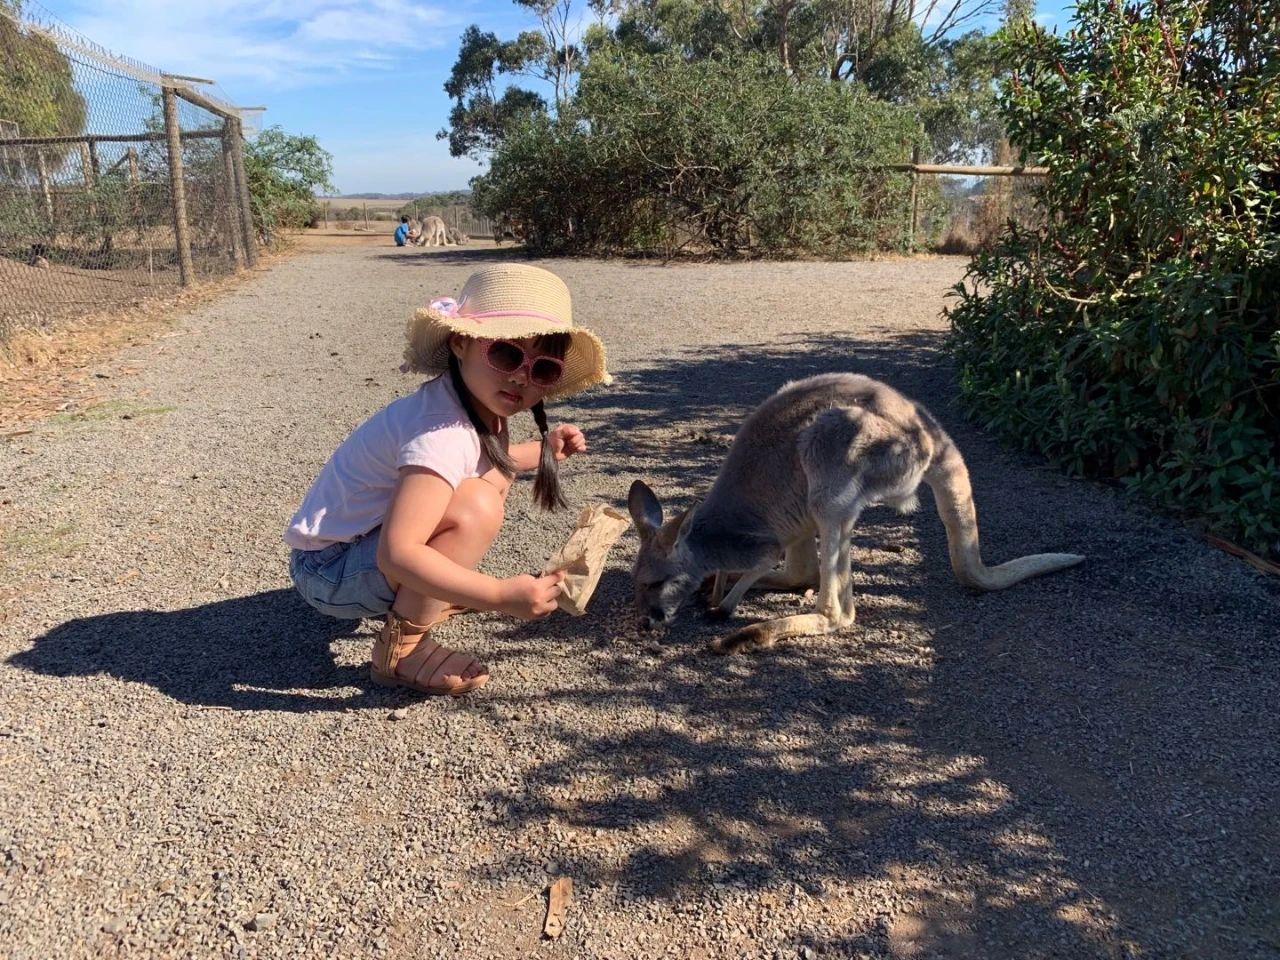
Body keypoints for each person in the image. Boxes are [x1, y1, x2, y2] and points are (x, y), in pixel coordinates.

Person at [284, 265, 611, 696]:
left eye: (542, 368)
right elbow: (398, 555)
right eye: (507, 354)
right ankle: (404, 650)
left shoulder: (470, 403)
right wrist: (497, 595)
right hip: (328, 573)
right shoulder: (442, 433)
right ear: (461, 342)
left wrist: (544, 450)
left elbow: (488, 457)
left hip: (348, 553)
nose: (519, 376)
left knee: (485, 484)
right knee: (475, 506)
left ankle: (429, 593)